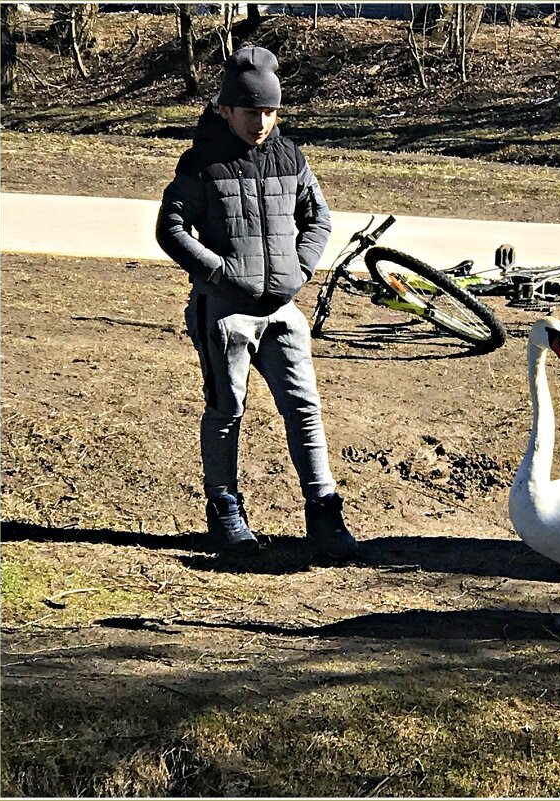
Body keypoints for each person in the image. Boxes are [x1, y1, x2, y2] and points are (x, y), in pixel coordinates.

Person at [156, 46, 356, 559]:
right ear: (225, 109)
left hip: (283, 311)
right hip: (224, 312)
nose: (261, 121)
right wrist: (219, 274)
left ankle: (325, 514)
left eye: (269, 111)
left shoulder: (290, 156)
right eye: (250, 111)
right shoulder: (201, 162)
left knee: (305, 410)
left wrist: (300, 268)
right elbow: (171, 229)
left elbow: (320, 219)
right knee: (227, 410)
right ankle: (225, 510)